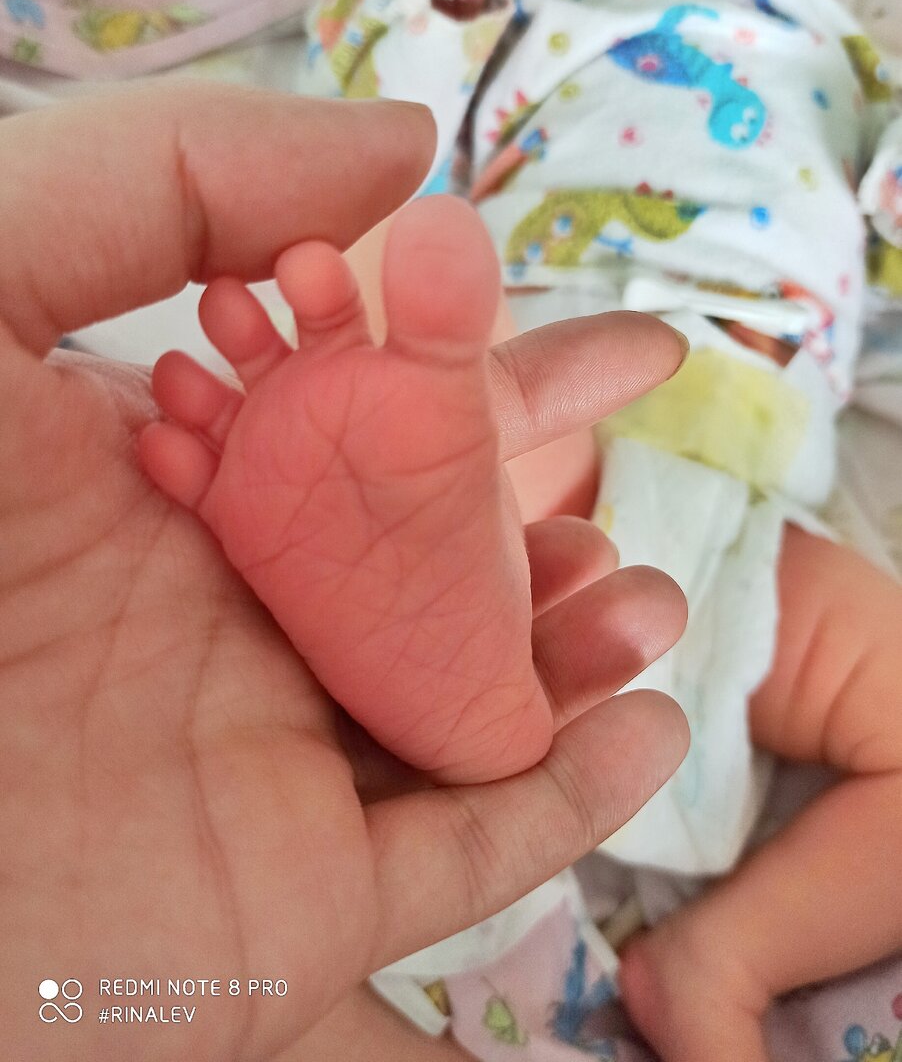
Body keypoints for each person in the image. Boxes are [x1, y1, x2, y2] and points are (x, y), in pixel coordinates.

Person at [141, 0, 902, 1058]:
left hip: (743, 526)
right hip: (556, 407)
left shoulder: (844, 53)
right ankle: (405, 536)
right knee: (408, 264)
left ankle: (730, 957)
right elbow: (384, 88)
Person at [0, 81, 692, 1061]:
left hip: (210, 944)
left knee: (398, 288)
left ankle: (402, 486)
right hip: (309, 913)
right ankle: (450, 612)